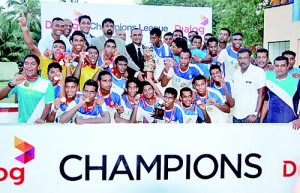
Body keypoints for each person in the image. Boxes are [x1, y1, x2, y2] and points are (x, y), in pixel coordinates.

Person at [0, 54, 54, 123]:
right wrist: (11, 84)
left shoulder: (46, 83)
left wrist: (41, 119)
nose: (29, 66)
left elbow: (48, 106)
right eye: (26, 63)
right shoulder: (18, 81)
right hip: (22, 126)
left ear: (38, 67)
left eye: (33, 64)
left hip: (39, 126)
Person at [18, 12, 72, 78]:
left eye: (61, 47)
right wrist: (24, 27)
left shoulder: (67, 65)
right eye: (55, 47)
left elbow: (70, 80)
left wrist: (67, 63)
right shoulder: (45, 60)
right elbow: (32, 47)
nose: (58, 49)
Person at [261, 56, 300, 123]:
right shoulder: (268, 82)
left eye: (283, 66)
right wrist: (261, 122)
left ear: (288, 66)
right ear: (274, 67)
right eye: (277, 66)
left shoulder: (296, 82)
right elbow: (266, 102)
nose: (279, 68)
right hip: (270, 123)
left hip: (290, 125)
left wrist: (299, 120)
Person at [232, 48, 266, 123]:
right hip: (236, 116)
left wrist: (255, 114)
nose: (242, 61)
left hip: (250, 117)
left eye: (245, 58)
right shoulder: (236, 73)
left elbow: (262, 94)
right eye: (240, 58)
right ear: (237, 59)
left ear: (250, 58)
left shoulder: (258, 72)